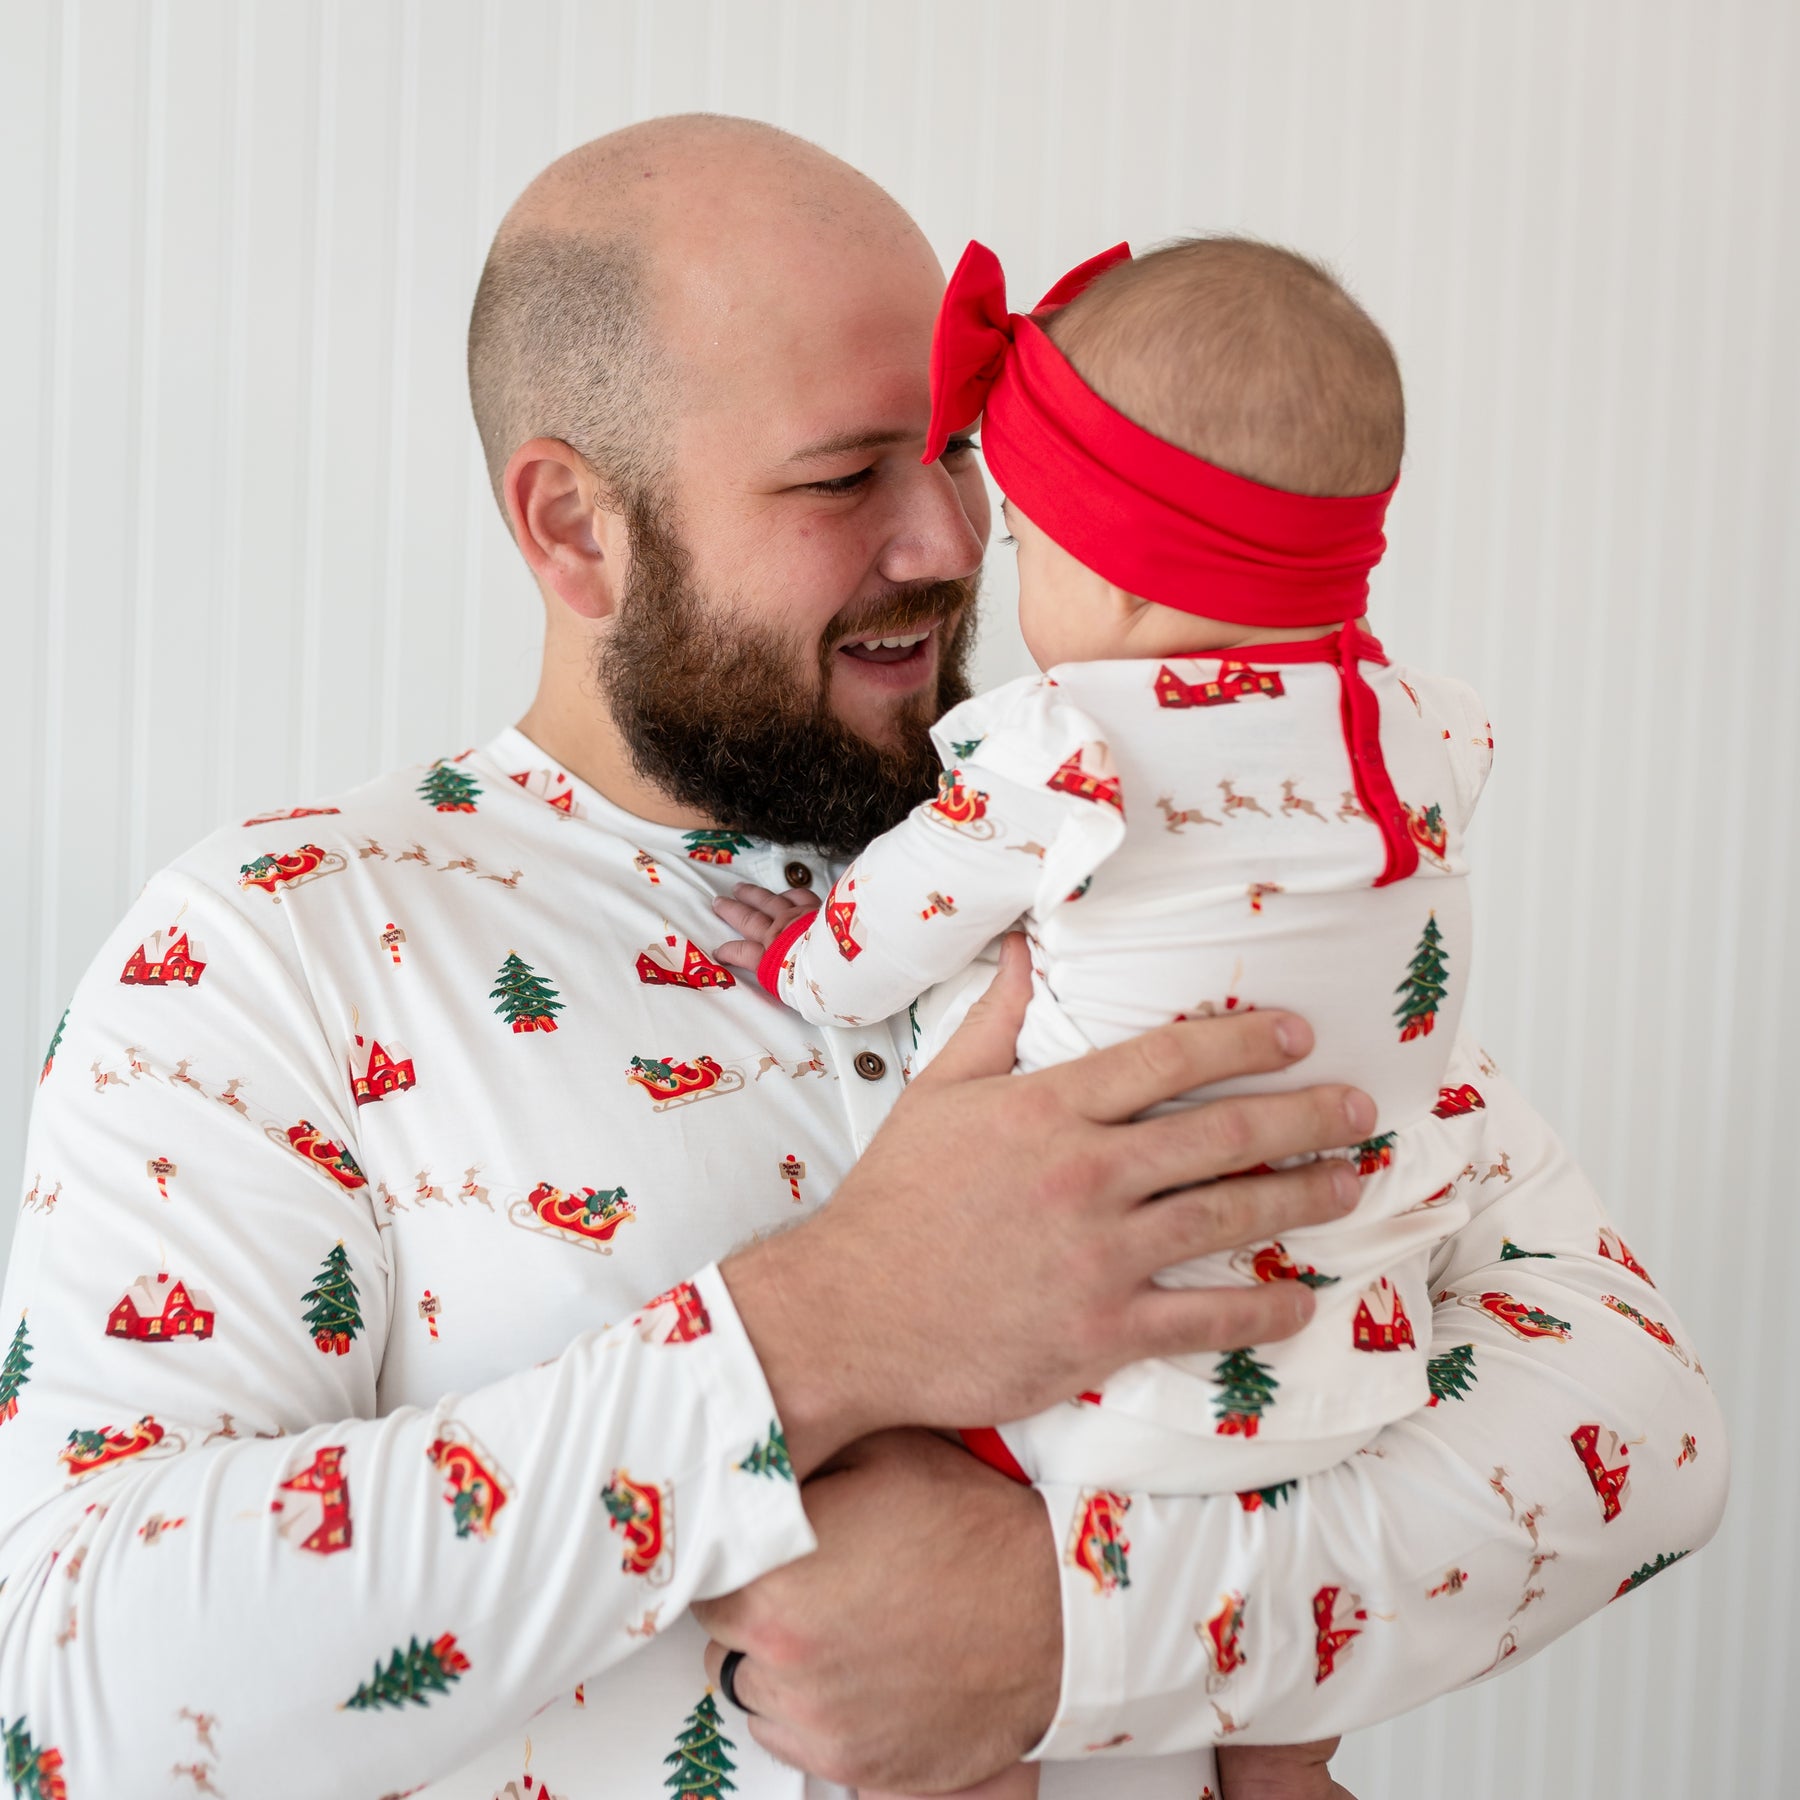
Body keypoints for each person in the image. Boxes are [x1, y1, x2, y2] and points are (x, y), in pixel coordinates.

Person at [0, 116, 1724, 1800]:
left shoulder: (1156, 858)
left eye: (959, 455)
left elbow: (1641, 1418)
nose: (954, 544)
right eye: (845, 479)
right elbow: (79, 1688)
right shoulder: (279, 944)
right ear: (575, 528)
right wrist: (825, 1332)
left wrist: (1073, 1633)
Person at [716, 232, 1685, 1800]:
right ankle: (1285, 1772)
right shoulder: (1419, 729)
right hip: (1355, 1362)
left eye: (1027, 538)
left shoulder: (1059, 748)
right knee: (1270, 1694)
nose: (986, 562)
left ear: (1114, 570)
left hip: (1100, 1378)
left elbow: (881, 937)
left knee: (885, 1514)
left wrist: (800, 960)